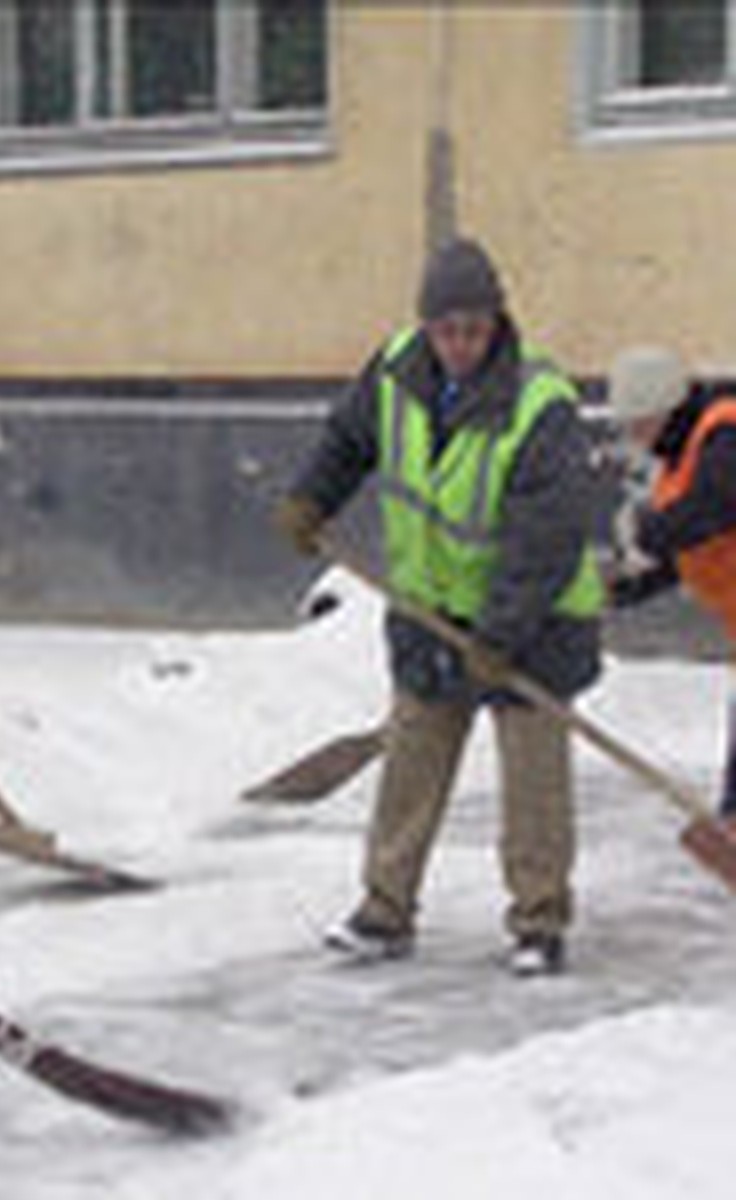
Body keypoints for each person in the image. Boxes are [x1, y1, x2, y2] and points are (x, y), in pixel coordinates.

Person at [275, 238, 604, 976]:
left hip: (535, 620)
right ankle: (385, 911)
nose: (462, 344)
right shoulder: (395, 369)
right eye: (448, 329)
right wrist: (310, 498)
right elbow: (347, 439)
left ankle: (538, 923)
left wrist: (501, 634)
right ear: (426, 326)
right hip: (430, 607)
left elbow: (545, 539)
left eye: (476, 329)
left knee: (533, 785)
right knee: (413, 760)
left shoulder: (538, 403)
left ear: (497, 323)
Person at [606, 345, 736, 818]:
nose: (635, 438)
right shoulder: (679, 467)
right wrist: (618, 589)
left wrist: (647, 532)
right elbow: (684, 554)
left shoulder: (723, 429)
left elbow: (717, 504)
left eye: (640, 424)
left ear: (667, 410)